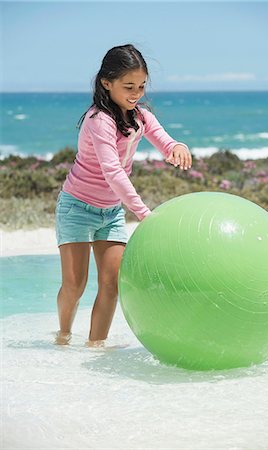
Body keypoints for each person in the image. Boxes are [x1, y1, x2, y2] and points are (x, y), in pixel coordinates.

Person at [54, 44, 192, 347]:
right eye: (128, 86)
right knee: (75, 286)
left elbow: (164, 140)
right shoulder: (98, 120)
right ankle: (63, 335)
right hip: (76, 207)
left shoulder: (140, 116)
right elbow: (113, 172)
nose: (136, 93)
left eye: (141, 86)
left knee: (111, 284)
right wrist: (143, 213)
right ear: (107, 82)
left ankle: (95, 347)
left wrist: (176, 147)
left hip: (111, 211)